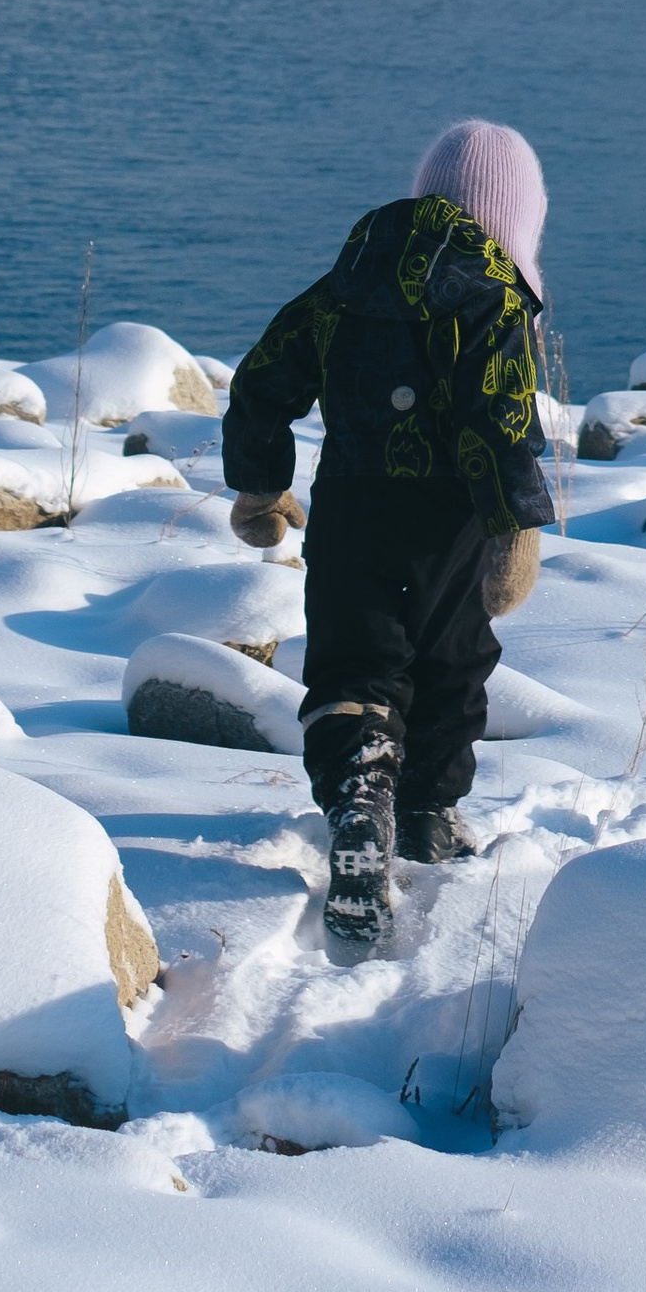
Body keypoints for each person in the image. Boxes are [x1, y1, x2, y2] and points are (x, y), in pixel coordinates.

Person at [222, 116, 553, 961]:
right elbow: (500, 416)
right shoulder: (493, 297)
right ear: (514, 219)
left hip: (352, 508)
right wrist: (515, 525)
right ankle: (427, 818)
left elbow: (265, 376)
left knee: (352, 661)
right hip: (452, 518)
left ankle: (359, 793)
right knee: (451, 658)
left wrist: (262, 482)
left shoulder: (349, 281)